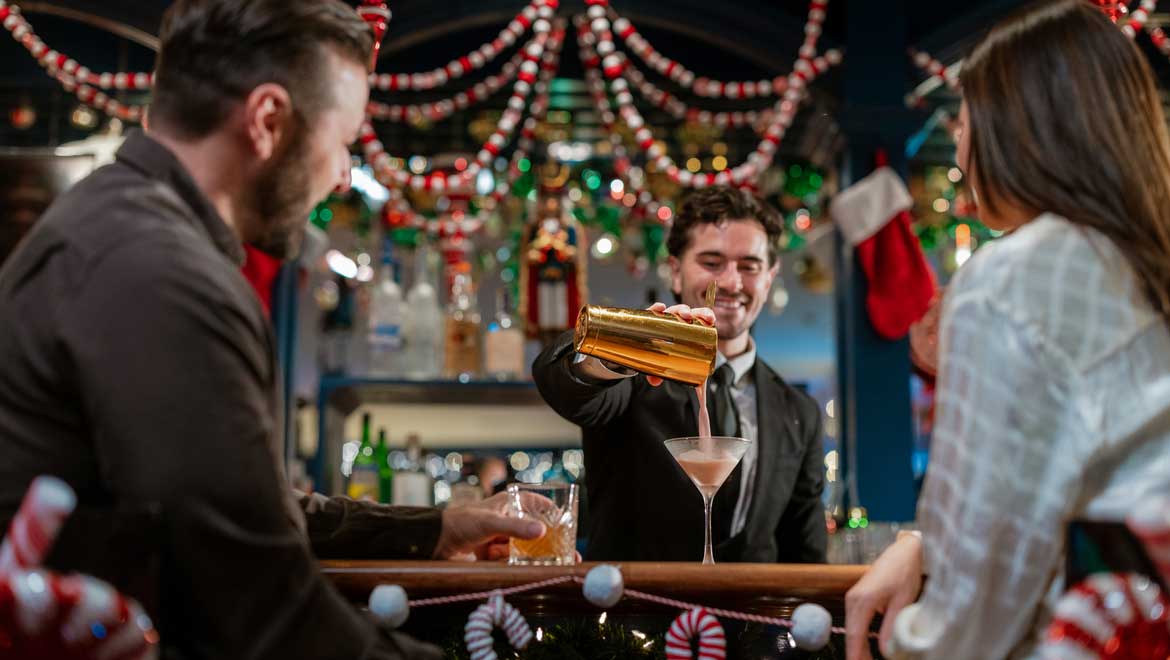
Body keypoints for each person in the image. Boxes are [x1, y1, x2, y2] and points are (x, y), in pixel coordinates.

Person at [0, 1, 542, 658]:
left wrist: (436, 527)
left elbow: (240, 512)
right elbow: (260, 611)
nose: (344, 175)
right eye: (343, 143)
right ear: (267, 121)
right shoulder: (159, 271)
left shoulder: (124, 228)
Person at [844, 2, 1170, 658]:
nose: (959, 147)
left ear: (1015, 130)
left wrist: (895, 644)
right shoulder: (1147, 259)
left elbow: (979, 596)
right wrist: (923, 541)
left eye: (963, 121)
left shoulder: (1013, 278)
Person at [533, 186, 826, 563]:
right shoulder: (633, 378)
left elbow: (805, 552)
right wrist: (632, 351)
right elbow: (560, 381)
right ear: (675, 271)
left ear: (769, 278)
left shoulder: (799, 411)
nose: (732, 283)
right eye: (712, 262)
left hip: (749, 618)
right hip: (639, 614)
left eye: (749, 266)